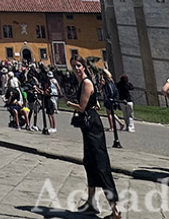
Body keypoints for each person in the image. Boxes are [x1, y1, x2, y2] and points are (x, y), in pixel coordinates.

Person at [67, 55, 121, 219]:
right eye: (74, 66)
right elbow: (95, 103)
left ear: (83, 66)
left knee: (100, 164)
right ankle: (91, 202)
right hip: (89, 127)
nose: (76, 68)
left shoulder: (87, 82)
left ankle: (115, 210)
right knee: (89, 163)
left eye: (78, 65)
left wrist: (69, 103)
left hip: (92, 129)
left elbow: (82, 107)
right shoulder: (84, 82)